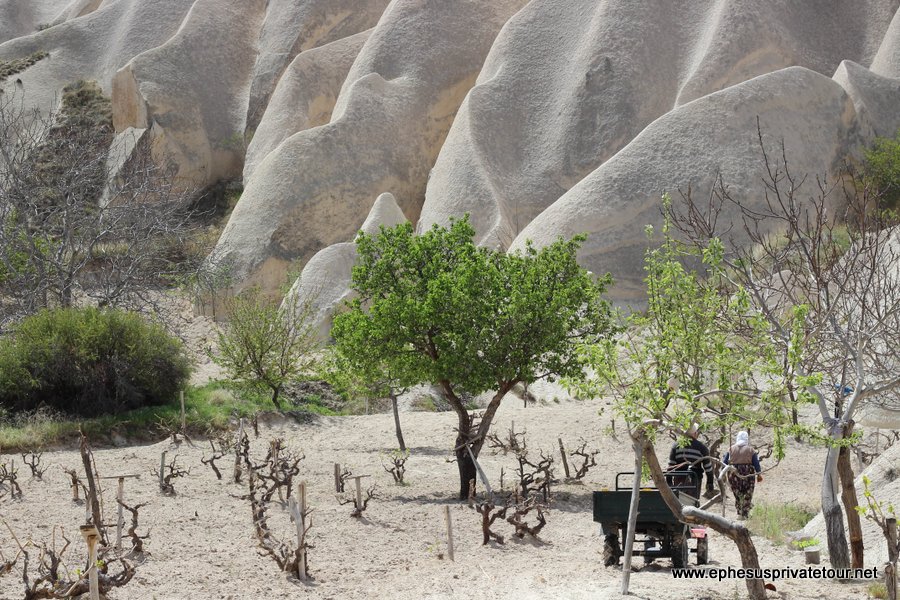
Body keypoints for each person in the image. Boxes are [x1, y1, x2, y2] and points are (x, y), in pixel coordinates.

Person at [667, 423, 714, 500]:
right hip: (695, 479)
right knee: (693, 501)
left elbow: (671, 466)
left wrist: (669, 482)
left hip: (679, 478)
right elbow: (708, 468)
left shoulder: (676, 445)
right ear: (695, 433)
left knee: (679, 500)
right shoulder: (702, 447)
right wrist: (710, 483)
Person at [723, 431, 762, 519]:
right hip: (748, 473)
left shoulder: (731, 449)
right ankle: (745, 512)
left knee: (738, 493)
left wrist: (724, 474)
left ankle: (740, 512)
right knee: (748, 492)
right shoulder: (751, 450)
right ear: (746, 439)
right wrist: (759, 474)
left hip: (734, 474)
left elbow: (724, 462)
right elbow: (756, 463)